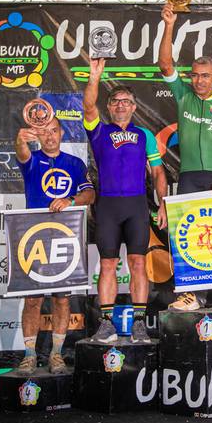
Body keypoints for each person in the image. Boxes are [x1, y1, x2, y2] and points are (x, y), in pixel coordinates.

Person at [158, 3, 212, 311]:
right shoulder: (183, 95)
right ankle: (190, 295)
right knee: (188, 235)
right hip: (188, 177)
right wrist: (169, 24)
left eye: (205, 76)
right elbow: (165, 64)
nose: (199, 81)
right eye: (195, 76)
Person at [83, 57, 168, 343]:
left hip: (136, 206)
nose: (121, 105)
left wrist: (163, 203)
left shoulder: (144, 135)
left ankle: (139, 324)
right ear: (109, 107)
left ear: (134, 107)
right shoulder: (99, 131)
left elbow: (158, 171)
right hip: (107, 206)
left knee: (138, 263)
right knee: (107, 264)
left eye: (126, 101)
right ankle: (106, 323)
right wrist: (95, 78)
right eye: (116, 101)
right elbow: (88, 106)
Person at [14, 117, 96, 374]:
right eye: (44, 132)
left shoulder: (74, 163)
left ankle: (56, 355)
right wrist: (20, 140)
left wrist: (70, 200)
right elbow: (21, 150)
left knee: (62, 300)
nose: (50, 136)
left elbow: (90, 194)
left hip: (64, 236)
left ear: (62, 133)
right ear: (38, 135)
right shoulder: (32, 160)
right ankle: (29, 356)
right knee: (33, 299)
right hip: (35, 236)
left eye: (54, 131)